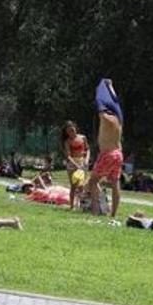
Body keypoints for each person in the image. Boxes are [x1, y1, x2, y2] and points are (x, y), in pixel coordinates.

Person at [84, 78, 124, 219]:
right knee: (114, 182)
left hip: (107, 154)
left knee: (92, 181)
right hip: (118, 153)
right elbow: (115, 100)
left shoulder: (107, 118)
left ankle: (95, 210)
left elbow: (102, 111)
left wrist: (100, 100)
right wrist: (110, 86)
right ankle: (113, 214)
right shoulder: (119, 120)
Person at [61, 120, 90, 211]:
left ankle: (82, 205)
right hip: (72, 164)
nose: (71, 133)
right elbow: (68, 156)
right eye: (69, 131)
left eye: (72, 130)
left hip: (82, 162)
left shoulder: (83, 138)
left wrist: (87, 160)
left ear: (75, 128)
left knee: (82, 185)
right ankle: (72, 206)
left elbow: (88, 149)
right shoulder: (67, 142)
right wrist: (76, 165)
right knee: (73, 185)